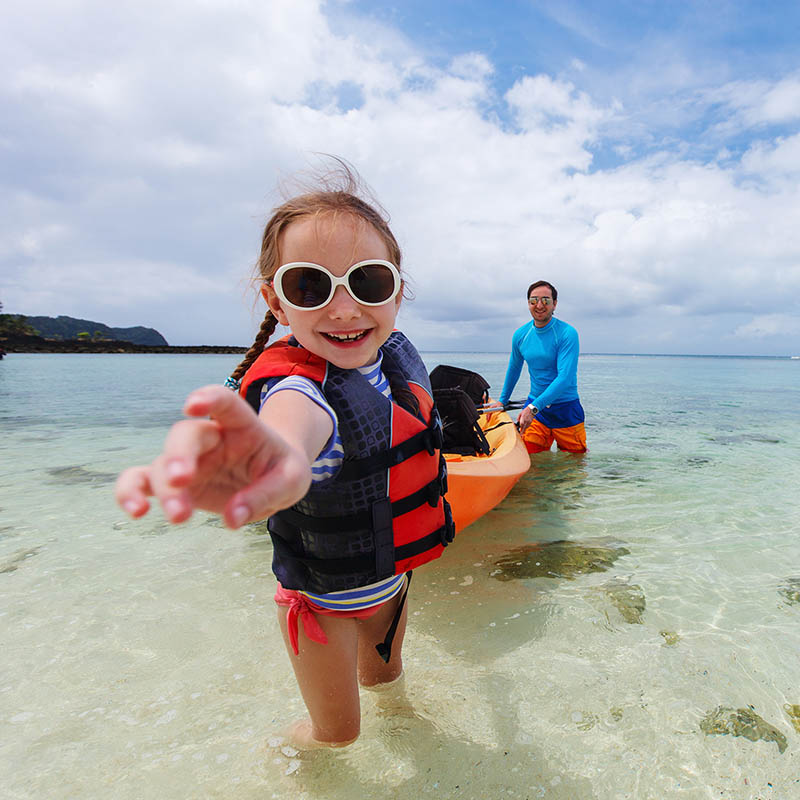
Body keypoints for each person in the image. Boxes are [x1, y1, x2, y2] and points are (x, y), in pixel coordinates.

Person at [115, 163, 453, 749]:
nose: (344, 309)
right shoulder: (298, 390)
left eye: (368, 283)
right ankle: (278, 762)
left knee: (389, 687)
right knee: (337, 735)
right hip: (322, 607)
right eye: (310, 287)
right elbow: (290, 436)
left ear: (398, 288)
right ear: (275, 298)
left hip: (390, 586)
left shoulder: (394, 359)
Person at [498, 280, 587, 454]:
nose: (539, 305)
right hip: (537, 412)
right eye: (534, 300)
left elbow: (565, 377)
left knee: (573, 470)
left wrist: (533, 408)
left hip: (566, 410)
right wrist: (502, 400)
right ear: (528, 304)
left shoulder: (567, 333)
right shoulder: (521, 335)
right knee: (530, 462)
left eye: (545, 300)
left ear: (555, 304)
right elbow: (514, 369)